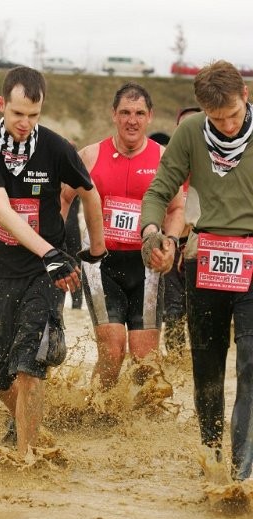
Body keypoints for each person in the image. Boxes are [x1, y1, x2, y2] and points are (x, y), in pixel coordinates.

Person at [0, 66, 106, 456]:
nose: (25, 123)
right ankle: (29, 425)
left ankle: (27, 459)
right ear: (1, 104)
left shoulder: (56, 147)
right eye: (17, 113)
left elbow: (89, 192)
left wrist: (96, 251)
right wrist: (49, 253)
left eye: (33, 115)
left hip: (43, 275)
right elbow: (1, 210)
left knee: (30, 367)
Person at [141, 60, 253, 482]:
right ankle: (212, 456)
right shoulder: (190, 133)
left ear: (246, 96)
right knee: (207, 367)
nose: (227, 126)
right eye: (216, 119)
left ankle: (243, 473)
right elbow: (159, 190)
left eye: (233, 115)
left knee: (251, 366)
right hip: (204, 258)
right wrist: (153, 233)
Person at [61, 82, 184, 391]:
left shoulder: (164, 158)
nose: (132, 120)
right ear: (113, 114)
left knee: (145, 360)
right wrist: (53, 249)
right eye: (126, 112)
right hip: (100, 263)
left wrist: (170, 243)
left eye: (139, 113)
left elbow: (176, 208)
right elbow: (62, 199)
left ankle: (136, 419)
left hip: (147, 264)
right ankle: (95, 411)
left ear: (150, 116)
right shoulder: (90, 156)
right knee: (113, 351)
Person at [162, 106, 202, 355]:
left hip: (202, 247)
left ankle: (199, 363)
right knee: (173, 311)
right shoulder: (168, 164)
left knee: (199, 312)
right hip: (173, 244)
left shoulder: (214, 165)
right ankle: (176, 365)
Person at [64, 194, 83, 308]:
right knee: (75, 264)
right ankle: (77, 304)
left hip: (57, 226)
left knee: (53, 263)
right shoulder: (75, 183)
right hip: (72, 227)